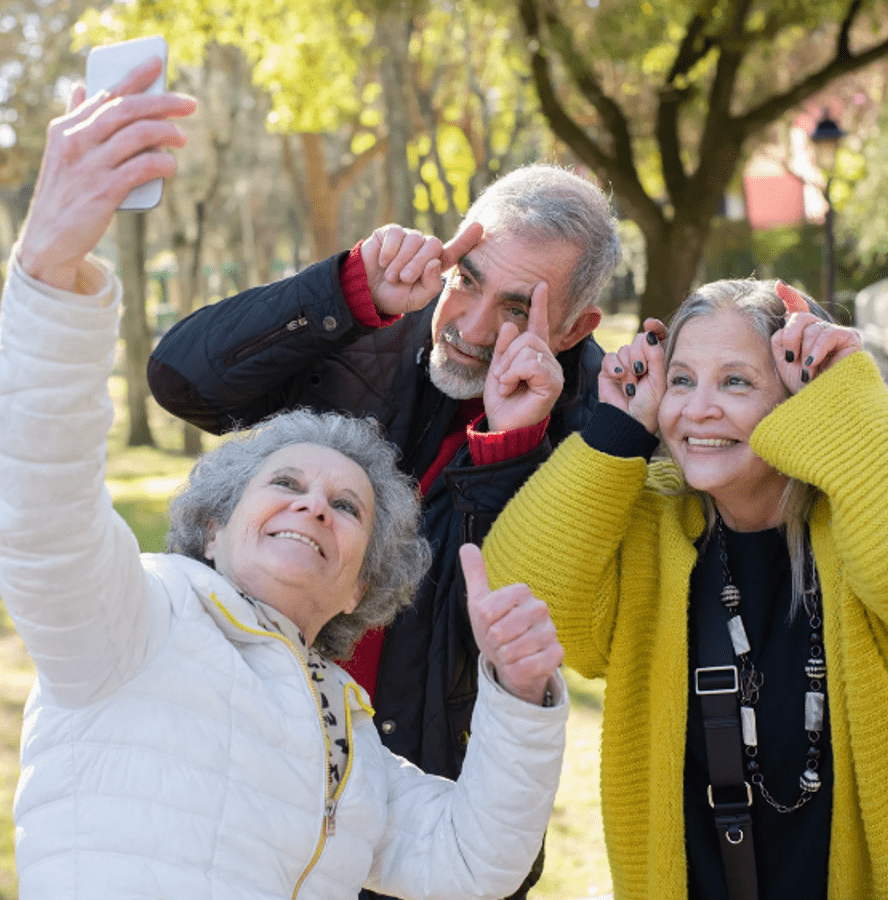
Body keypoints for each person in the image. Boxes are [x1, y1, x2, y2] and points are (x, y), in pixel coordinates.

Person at [0, 58, 570, 899]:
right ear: (211, 527)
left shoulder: (351, 738)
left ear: (361, 589)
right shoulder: (136, 623)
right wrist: (50, 271)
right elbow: (41, 515)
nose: (314, 503)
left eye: (346, 507)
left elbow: (474, 860)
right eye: (285, 484)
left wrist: (522, 699)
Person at [148, 147, 620, 896]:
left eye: (516, 310)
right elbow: (180, 380)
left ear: (575, 327)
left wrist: (509, 450)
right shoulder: (370, 323)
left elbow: (518, 627)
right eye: (468, 278)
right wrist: (346, 288)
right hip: (250, 764)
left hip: (421, 813)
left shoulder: (602, 429)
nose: (467, 324)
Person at [482, 278, 888, 899]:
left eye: (735, 381)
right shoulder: (649, 523)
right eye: (681, 380)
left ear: (797, 394)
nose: (698, 409)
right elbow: (520, 595)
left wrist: (845, 394)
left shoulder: (858, 519)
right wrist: (617, 431)